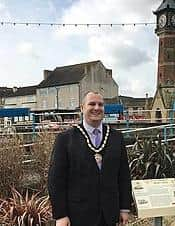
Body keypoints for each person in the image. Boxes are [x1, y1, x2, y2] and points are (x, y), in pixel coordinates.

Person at [48, 91, 132, 226]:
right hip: (78, 215)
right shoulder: (65, 139)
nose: (97, 108)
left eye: (100, 104)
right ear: (82, 108)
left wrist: (124, 208)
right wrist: (61, 215)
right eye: (92, 104)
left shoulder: (116, 138)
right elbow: (56, 180)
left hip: (110, 215)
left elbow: (123, 176)